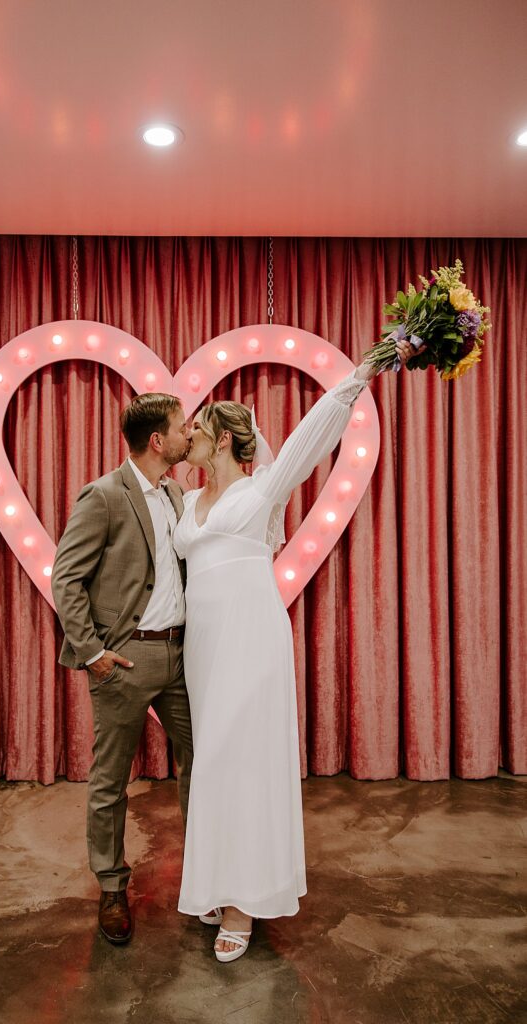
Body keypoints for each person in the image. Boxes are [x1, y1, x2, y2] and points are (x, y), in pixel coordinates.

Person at [174, 339, 423, 962]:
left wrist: (362, 372)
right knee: (213, 763)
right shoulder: (186, 499)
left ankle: (244, 902)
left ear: (225, 440)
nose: (190, 437)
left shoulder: (264, 489)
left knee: (245, 758)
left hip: (251, 637)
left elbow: (315, 433)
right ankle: (215, 883)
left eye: (199, 428)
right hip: (204, 645)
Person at [51, 393, 194, 945]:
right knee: (111, 781)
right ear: (157, 441)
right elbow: (67, 578)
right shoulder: (105, 495)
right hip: (125, 659)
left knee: (201, 766)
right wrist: (91, 654)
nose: (189, 436)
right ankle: (112, 887)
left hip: (182, 657)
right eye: (182, 428)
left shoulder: (179, 493)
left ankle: (207, 874)